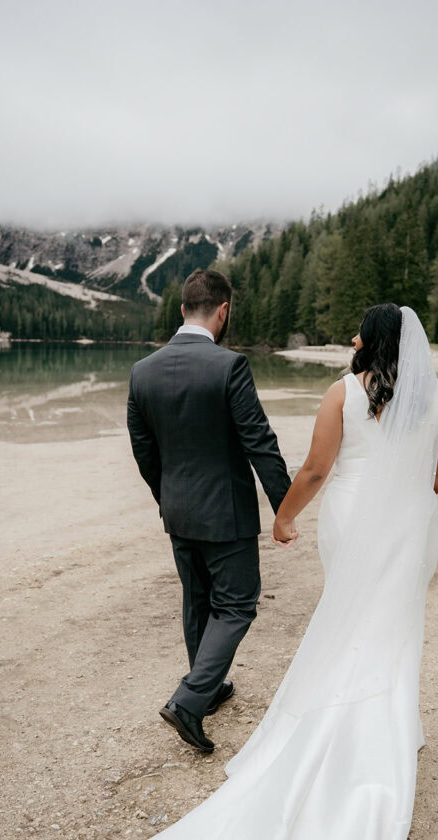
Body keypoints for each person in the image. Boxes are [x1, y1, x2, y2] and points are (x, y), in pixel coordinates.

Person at [118, 302, 438, 840]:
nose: (352, 338)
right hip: (409, 522)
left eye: (361, 330)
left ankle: (343, 717)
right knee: (394, 626)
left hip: (354, 520)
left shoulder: (342, 394)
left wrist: (284, 518)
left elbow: (314, 471)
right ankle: (388, 723)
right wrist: (402, 483)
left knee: (350, 619)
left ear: (374, 341)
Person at [126, 268, 291, 754]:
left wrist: (168, 496)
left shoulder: (143, 371)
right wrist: (286, 507)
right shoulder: (229, 366)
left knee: (198, 599)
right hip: (227, 514)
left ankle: (211, 685)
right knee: (237, 603)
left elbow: (144, 450)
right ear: (223, 311)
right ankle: (190, 701)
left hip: (178, 510)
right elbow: (259, 442)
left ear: (182, 310)